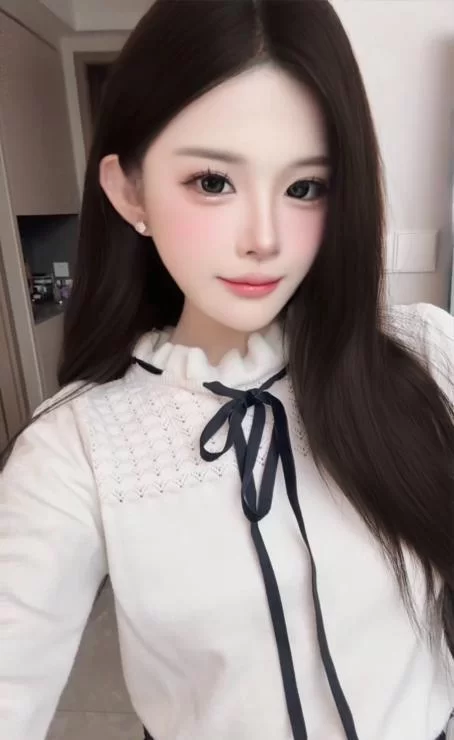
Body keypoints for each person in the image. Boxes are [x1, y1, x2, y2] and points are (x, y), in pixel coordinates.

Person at [1, 1, 453, 738]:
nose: (264, 239)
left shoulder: (427, 353)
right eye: (213, 181)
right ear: (129, 191)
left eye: (305, 187)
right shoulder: (76, 451)